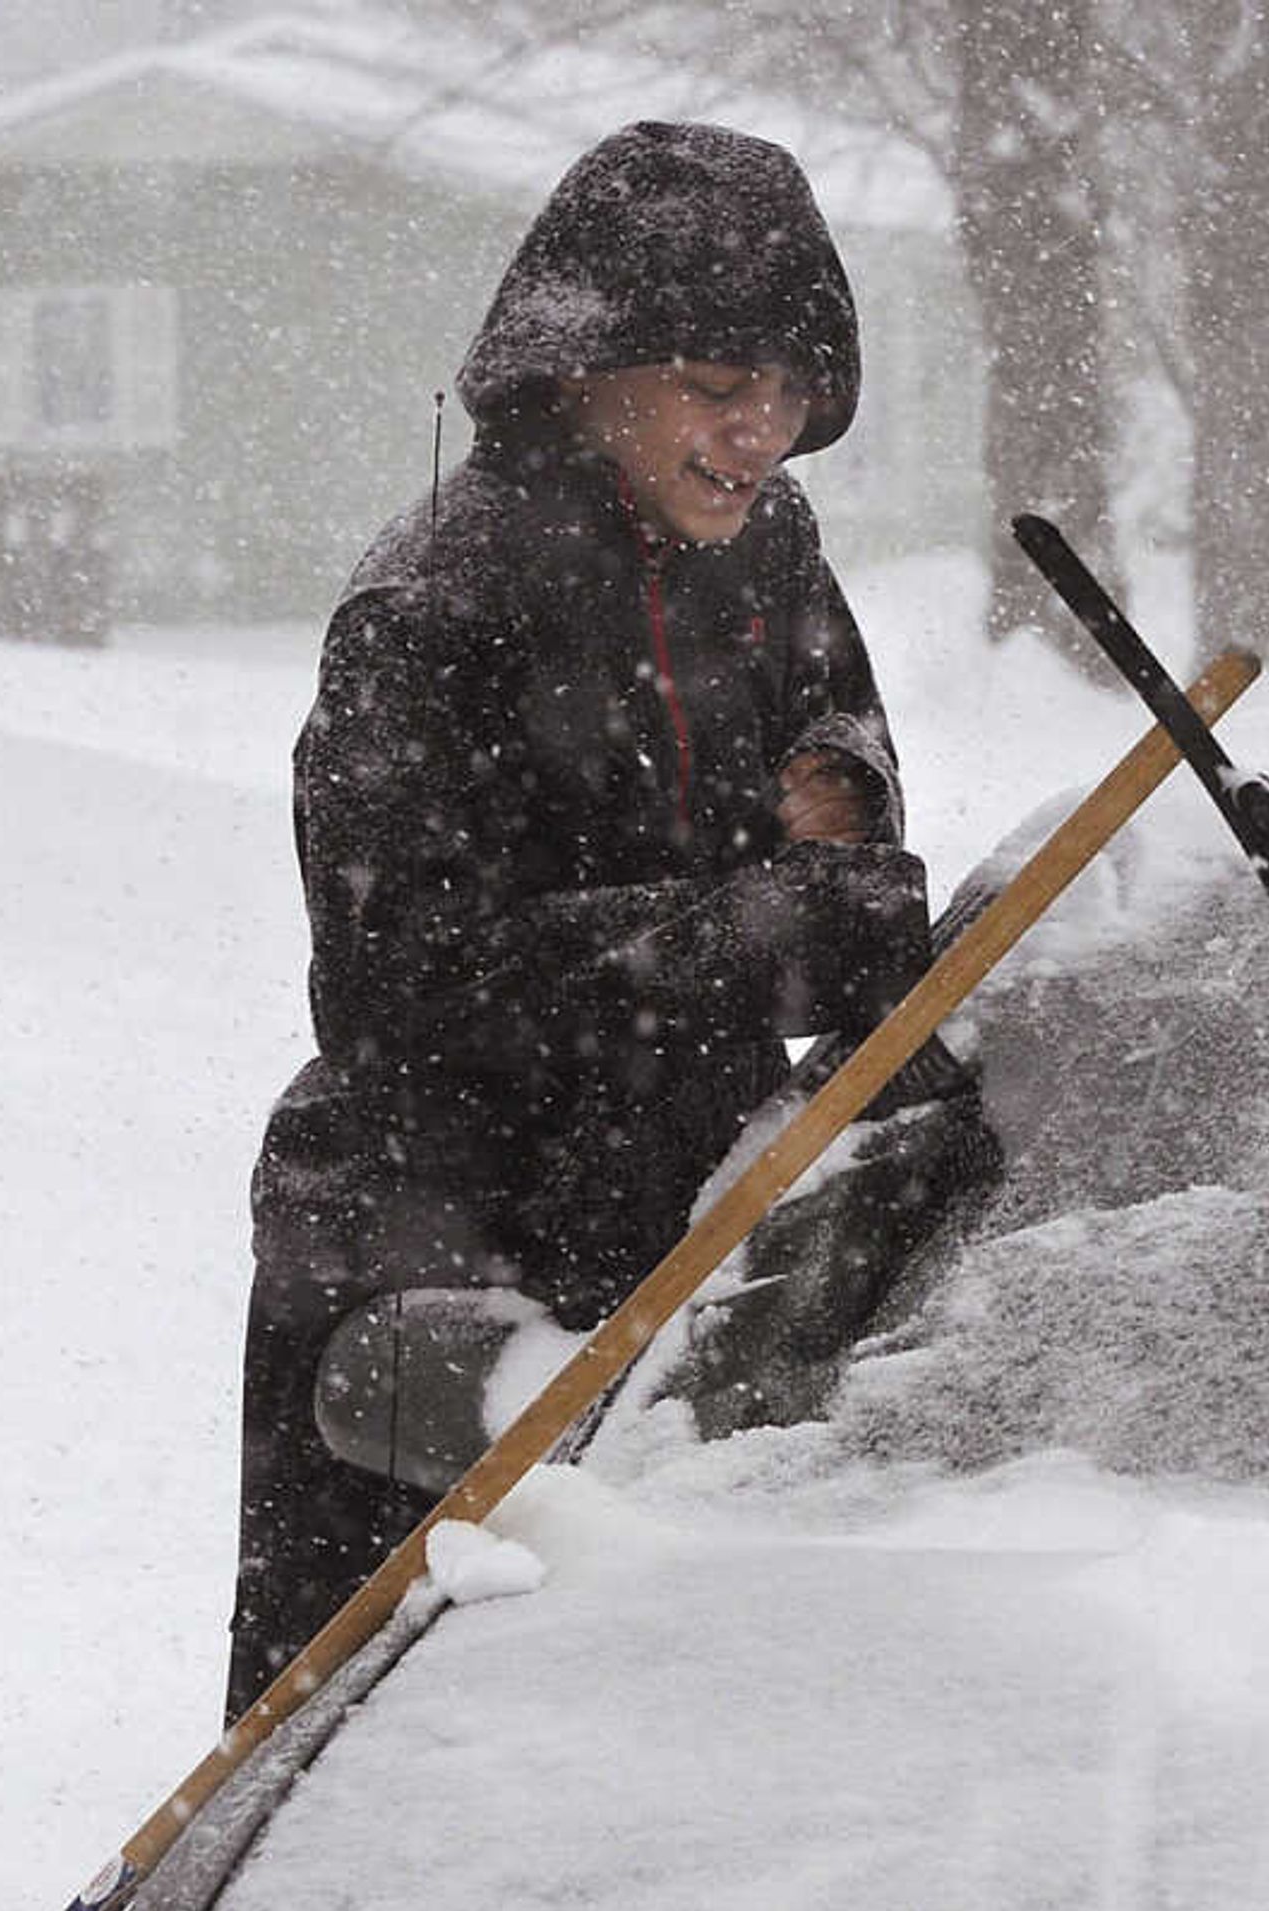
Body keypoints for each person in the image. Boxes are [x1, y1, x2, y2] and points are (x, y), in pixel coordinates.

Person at [225, 121, 927, 1720]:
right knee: (391, 1756)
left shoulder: (772, 557)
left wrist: (805, 897)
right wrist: (746, 921)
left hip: (685, 1224)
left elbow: (865, 875)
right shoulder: (438, 607)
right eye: (713, 383)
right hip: (429, 1260)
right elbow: (403, 995)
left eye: (791, 393)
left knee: (659, 1744)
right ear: (582, 368)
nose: (759, 434)